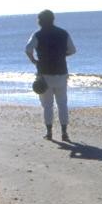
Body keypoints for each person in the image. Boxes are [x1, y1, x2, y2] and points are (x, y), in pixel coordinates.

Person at [25, 9, 76, 141]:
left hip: (44, 74)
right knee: (62, 103)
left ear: (40, 21)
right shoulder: (63, 33)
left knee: (47, 105)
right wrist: (61, 55)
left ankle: (49, 133)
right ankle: (64, 133)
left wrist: (34, 61)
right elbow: (72, 50)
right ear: (53, 19)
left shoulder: (37, 35)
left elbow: (28, 49)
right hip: (61, 73)